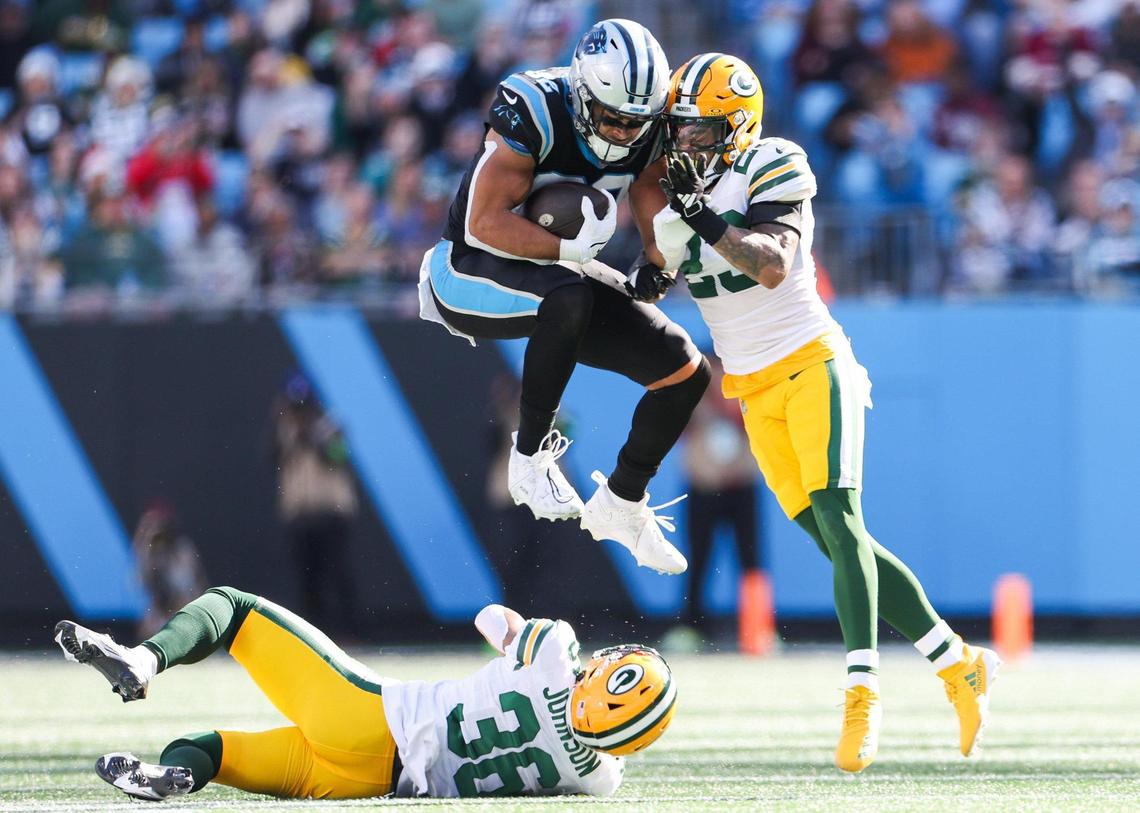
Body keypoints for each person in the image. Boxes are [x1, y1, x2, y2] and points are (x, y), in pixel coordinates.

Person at [650, 52, 1000, 773]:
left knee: (842, 523)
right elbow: (650, 279)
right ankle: (957, 661)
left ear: (738, 126)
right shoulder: (679, 197)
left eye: (701, 128)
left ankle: (863, 691)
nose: (687, 141)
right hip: (750, 388)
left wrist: (700, 215)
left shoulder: (775, 161)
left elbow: (771, 262)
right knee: (837, 542)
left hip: (813, 363)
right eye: (680, 128)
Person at [417, 18, 710, 576]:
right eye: (612, 118)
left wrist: (655, 257)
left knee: (684, 370)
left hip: (560, 273)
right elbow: (481, 224)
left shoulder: (646, 126)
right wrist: (567, 250)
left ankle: (622, 503)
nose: (624, 132)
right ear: (581, 92)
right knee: (569, 297)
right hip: (466, 268)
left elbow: (647, 181)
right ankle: (528, 457)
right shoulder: (535, 107)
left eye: (636, 122)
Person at [53, 587, 676, 800]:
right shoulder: (598, 780)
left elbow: (494, 619)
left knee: (231, 607)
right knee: (209, 751)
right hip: (372, 783)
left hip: (371, 716)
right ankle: (174, 777)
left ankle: (140, 660)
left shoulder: (552, 654)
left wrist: (523, 640)